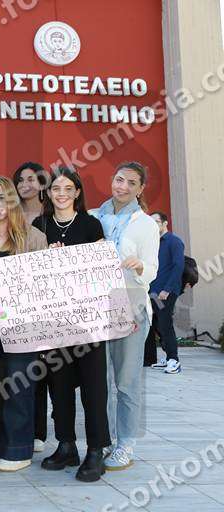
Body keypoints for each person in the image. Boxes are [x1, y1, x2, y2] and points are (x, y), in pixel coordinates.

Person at [32, 167, 110, 482]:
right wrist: (45, 257)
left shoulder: (91, 225)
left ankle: (96, 450)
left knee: (93, 388)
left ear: (77, 192)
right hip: (53, 322)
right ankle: (66, 445)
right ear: (48, 193)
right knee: (59, 386)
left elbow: (103, 270)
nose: (61, 194)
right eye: (56, 189)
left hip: (89, 321)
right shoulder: (39, 226)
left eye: (68, 188)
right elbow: (29, 274)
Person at [0, 175, 47, 472]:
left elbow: (44, 286)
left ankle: (18, 449)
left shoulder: (34, 237)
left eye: (1, 198)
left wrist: (11, 288)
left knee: (18, 384)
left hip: (22, 322)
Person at [92, 161, 159, 471]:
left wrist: (140, 265)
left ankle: (126, 444)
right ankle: (105, 440)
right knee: (100, 381)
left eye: (132, 183)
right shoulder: (94, 216)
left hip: (130, 302)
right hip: (96, 306)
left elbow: (153, 268)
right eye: (120, 180)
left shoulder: (145, 224)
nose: (123, 187)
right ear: (112, 180)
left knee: (126, 380)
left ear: (140, 189)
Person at [12, 162, 51, 452]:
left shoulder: (50, 216)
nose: (25, 184)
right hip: (11, 303)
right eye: (20, 180)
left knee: (41, 369)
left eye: (31, 179)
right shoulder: (9, 214)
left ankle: (39, 432)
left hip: (43, 302)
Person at [146, 212, 185, 374]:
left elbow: (178, 266)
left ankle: (174, 360)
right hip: (154, 292)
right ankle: (168, 358)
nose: (153, 225)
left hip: (165, 292)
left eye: (156, 222)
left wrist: (167, 289)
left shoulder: (174, 241)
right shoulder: (153, 243)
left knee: (165, 324)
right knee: (158, 325)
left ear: (165, 223)